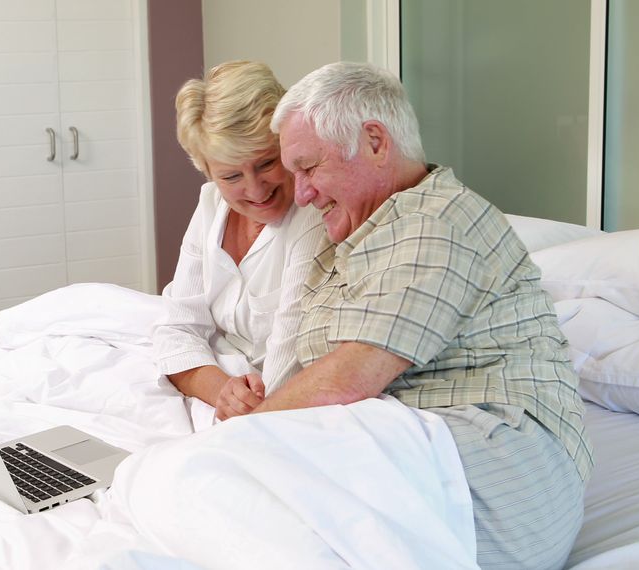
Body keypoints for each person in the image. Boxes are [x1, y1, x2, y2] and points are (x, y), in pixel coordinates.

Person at [253, 61, 593, 569]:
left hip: (504, 468)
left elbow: (346, 380)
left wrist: (235, 439)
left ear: (374, 141)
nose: (300, 193)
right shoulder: (354, 236)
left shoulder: (439, 222)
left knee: (204, 482)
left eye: (308, 168)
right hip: (417, 445)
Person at [152, 61, 324, 422]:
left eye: (266, 163)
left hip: (272, 403)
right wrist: (222, 391)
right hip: (226, 390)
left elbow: (287, 364)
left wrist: (243, 403)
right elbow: (178, 327)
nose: (256, 189)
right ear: (207, 170)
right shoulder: (210, 204)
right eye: (231, 175)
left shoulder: (312, 216)